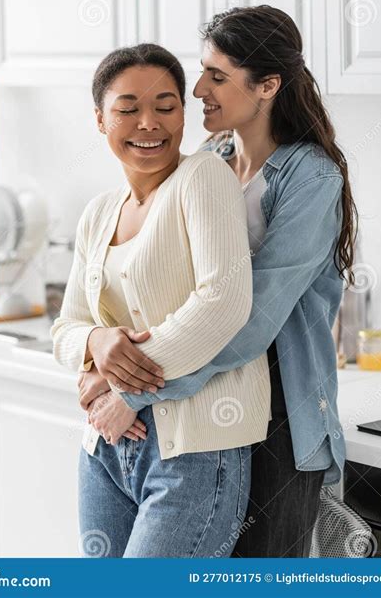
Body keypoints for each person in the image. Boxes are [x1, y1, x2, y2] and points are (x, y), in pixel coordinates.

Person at [80, 6, 357, 558]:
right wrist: (96, 355)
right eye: (203, 70)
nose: (199, 87)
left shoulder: (310, 178)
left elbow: (249, 317)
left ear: (268, 86)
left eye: (218, 76)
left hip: (279, 416)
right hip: (198, 402)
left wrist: (132, 390)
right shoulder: (211, 159)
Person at [51, 43, 271, 558]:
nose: (148, 123)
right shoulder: (99, 212)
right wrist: (97, 340)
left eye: (166, 107)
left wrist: (111, 377)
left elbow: (222, 304)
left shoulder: (203, 178)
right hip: (105, 447)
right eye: (128, 109)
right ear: (101, 120)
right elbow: (65, 331)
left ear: (184, 114)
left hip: (193, 449)